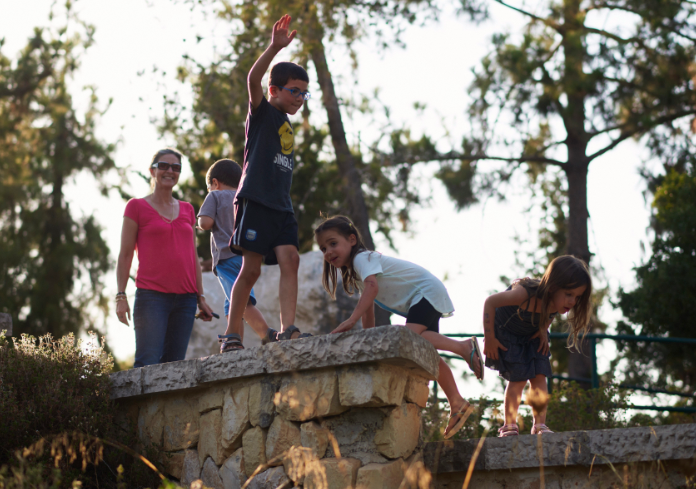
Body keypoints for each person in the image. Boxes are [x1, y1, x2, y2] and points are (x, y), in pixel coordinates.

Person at [314, 215, 484, 440]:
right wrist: (368, 339)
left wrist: (350, 321)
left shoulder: (362, 259)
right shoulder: (356, 273)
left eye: (333, 243)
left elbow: (372, 289)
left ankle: (463, 347)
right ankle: (457, 402)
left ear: (352, 239)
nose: (328, 252)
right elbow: (369, 308)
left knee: (408, 340)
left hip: (424, 292)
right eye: (323, 248)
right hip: (423, 295)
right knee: (424, 351)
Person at [220, 14, 311, 353]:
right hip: (256, 200)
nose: (300, 98)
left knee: (292, 259)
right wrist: (274, 47)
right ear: (275, 90)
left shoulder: (287, 124)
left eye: (304, 93)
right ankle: (231, 334)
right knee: (252, 269)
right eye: (294, 91)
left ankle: (288, 329)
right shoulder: (262, 113)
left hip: (281, 205)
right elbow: (253, 78)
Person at [116, 148, 214, 368]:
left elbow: (193, 257)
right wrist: (121, 296)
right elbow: (124, 255)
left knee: (174, 368)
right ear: (152, 171)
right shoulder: (136, 207)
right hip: (152, 298)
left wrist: (200, 297)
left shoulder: (188, 210)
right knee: (147, 364)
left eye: (176, 167)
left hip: (186, 300)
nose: (170, 171)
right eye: (164, 166)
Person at [482, 255, 592, 436]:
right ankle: (509, 425)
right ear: (553, 287)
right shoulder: (524, 295)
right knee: (518, 379)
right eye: (569, 294)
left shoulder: (557, 303)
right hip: (508, 330)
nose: (572, 302)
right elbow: (490, 302)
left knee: (540, 375)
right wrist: (490, 337)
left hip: (532, 331)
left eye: (577, 297)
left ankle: (539, 425)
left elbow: (549, 314)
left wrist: (543, 330)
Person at [197, 159, 272, 347]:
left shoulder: (215, 196)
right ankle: (234, 342)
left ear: (215, 183)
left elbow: (205, 223)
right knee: (233, 302)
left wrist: (198, 223)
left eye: (209, 187)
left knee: (242, 302)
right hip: (247, 257)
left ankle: (267, 334)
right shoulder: (244, 199)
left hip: (226, 257)